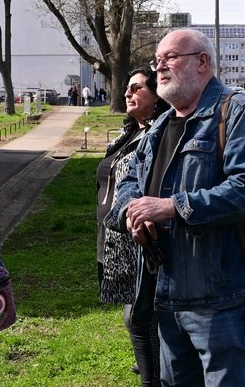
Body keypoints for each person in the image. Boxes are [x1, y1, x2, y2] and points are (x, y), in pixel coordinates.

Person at [110, 28, 245, 386]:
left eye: (170, 58)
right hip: (165, 290)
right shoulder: (160, 125)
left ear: (202, 62)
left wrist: (171, 206)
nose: (160, 68)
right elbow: (129, 183)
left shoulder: (235, 112)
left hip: (218, 294)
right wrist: (131, 214)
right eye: (157, 62)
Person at [97, 69, 169, 386]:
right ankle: (151, 366)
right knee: (136, 316)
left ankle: (154, 376)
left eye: (136, 87)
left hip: (139, 238)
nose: (128, 93)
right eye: (126, 87)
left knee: (139, 315)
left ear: (156, 96)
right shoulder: (127, 134)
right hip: (116, 238)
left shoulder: (159, 135)